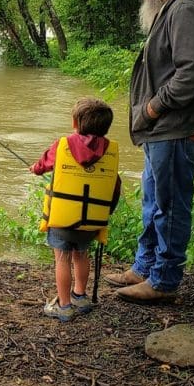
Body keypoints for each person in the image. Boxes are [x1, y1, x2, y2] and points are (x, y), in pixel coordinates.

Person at [105, 0, 194, 304]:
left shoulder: (186, 6)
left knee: (170, 208)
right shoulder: (179, 4)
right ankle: (144, 267)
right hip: (165, 131)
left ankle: (164, 281)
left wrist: (154, 107)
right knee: (154, 201)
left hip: (177, 127)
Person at [31, 98, 121, 322]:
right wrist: (105, 213)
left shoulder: (62, 145)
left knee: (62, 259)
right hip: (92, 221)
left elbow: (42, 165)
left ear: (75, 122)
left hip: (63, 220)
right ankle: (80, 296)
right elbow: (114, 186)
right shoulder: (111, 151)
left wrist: (34, 168)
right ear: (106, 127)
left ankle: (64, 306)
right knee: (81, 255)